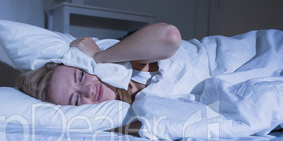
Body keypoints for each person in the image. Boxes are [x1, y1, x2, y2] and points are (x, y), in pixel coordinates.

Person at [17, 23, 182, 106]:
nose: (88, 90)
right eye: (76, 100)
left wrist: (99, 56)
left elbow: (170, 36)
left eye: (81, 76)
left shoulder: (130, 63)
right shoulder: (120, 122)